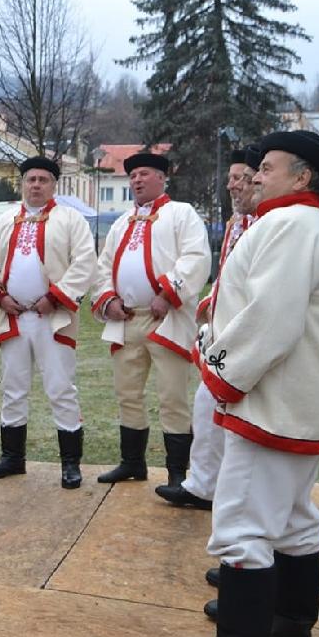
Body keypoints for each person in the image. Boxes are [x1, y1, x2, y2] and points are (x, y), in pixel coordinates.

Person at [166, 130, 319, 637]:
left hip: (272, 403)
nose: (255, 175)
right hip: (299, 402)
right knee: (295, 520)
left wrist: (218, 369)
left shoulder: (291, 225)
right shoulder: (307, 225)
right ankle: (289, 632)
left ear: (301, 177)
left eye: (267, 167)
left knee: (244, 525)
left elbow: (271, 319)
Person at [91, 152, 210, 486]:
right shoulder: (120, 223)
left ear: (162, 178)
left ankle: (177, 473)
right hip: (127, 320)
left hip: (167, 319)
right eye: (132, 177)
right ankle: (132, 463)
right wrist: (108, 299)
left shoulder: (180, 214)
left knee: (172, 396)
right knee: (127, 392)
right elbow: (102, 267)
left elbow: (196, 258)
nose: (137, 181)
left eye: (144, 174)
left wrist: (167, 294)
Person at [0, 157, 97, 488]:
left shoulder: (71, 220)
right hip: (15, 318)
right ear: (22, 183)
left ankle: (70, 464)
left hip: (53, 318)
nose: (36, 185)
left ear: (54, 185)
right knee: (13, 388)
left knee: (61, 388)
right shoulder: (4, 222)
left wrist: (56, 296)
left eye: (43, 180)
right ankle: (12, 457)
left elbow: (85, 263)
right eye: (30, 179)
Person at [157, 146, 262, 511]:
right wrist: (208, 307)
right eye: (230, 178)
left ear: (258, 180)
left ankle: (238, 494)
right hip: (220, 333)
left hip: (248, 336)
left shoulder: (266, 225)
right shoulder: (235, 225)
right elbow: (226, 278)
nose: (232, 186)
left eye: (240, 179)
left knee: (239, 417)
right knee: (205, 405)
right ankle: (202, 484)